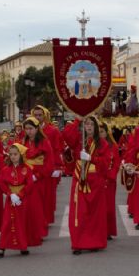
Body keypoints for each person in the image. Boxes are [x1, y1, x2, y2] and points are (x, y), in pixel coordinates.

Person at [63, 116, 110, 254]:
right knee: (79, 212)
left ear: (96, 127)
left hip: (95, 181)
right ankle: (78, 243)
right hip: (79, 178)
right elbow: (66, 134)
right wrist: (78, 119)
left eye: (91, 124)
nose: (88, 127)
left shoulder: (102, 143)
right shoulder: (78, 140)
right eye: (86, 124)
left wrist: (91, 158)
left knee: (95, 213)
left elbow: (106, 163)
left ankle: (94, 241)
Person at [0, 143, 36, 257]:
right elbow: (1, 182)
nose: (13, 157)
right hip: (10, 199)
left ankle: (23, 246)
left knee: (22, 223)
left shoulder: (27, 169)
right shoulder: (5, 169)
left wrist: (20, 195)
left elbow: (30, 184)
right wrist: (10, 194)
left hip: (23, 200)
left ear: (21, 155)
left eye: (15, 154)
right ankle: (2, 248)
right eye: (11, 154)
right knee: (7, 222)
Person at [22, 116, 54, 239]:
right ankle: (27, 230)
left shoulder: (44, 142)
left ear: (37, 129)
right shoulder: (23, 142)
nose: (28, 131)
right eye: (26, 129)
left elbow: (49, 163)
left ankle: (39, 231)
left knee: (39, 206)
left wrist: (39, 175)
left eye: (31, 128)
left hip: (40, 179)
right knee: (27, 206)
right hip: (26, 177)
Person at [32, 105, 63, 224]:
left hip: (48, 167)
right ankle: (37, 218)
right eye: (36, 115)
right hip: (34, 168)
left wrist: (58, 166)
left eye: (40, 115)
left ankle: (46, 218)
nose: (38, 117)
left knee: (48, 195)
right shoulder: (30, 130)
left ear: (44, 116)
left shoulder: (52, 130)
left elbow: (57, 149)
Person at [99, 121, 120, 240]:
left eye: (102, 132)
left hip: (110, 181)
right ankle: (99, 230)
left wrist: (111, 176)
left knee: (109, 208)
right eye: (99, 132)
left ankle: (108, 231)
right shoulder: (94, 145)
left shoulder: (113, 146)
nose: (101, 134)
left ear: (107, 132)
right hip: (98, 180)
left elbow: (116, 163)